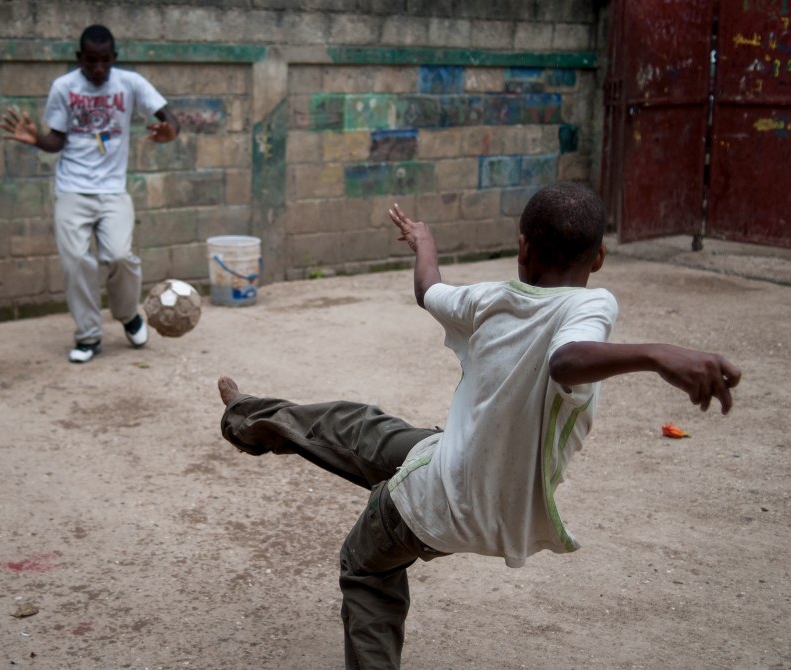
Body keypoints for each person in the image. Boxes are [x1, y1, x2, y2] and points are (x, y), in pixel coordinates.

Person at [216, 182, 741, 669]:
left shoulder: (579, 309)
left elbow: (563, 359)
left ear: (522, 248)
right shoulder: (502, 299)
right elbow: (431, 292)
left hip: (440, 500)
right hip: (454, 465)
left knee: (365, 568)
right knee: (355, 425)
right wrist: (423, 243)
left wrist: (657, 354)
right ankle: (246, 418)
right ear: (599, 258)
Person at [0, 24, 180, 363]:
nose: (98, 69)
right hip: (72, 190)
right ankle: (88, 336)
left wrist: (170, 131)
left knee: (120, 255)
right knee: (76, 263)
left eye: (105, 61)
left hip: (113, 191)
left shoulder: (130, 84)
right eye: (91, 61)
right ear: (79, 58)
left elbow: (168, 117)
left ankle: (128, 315)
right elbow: (57, 140)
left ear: (115, 58)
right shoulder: (64, 87)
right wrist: (36, 138)